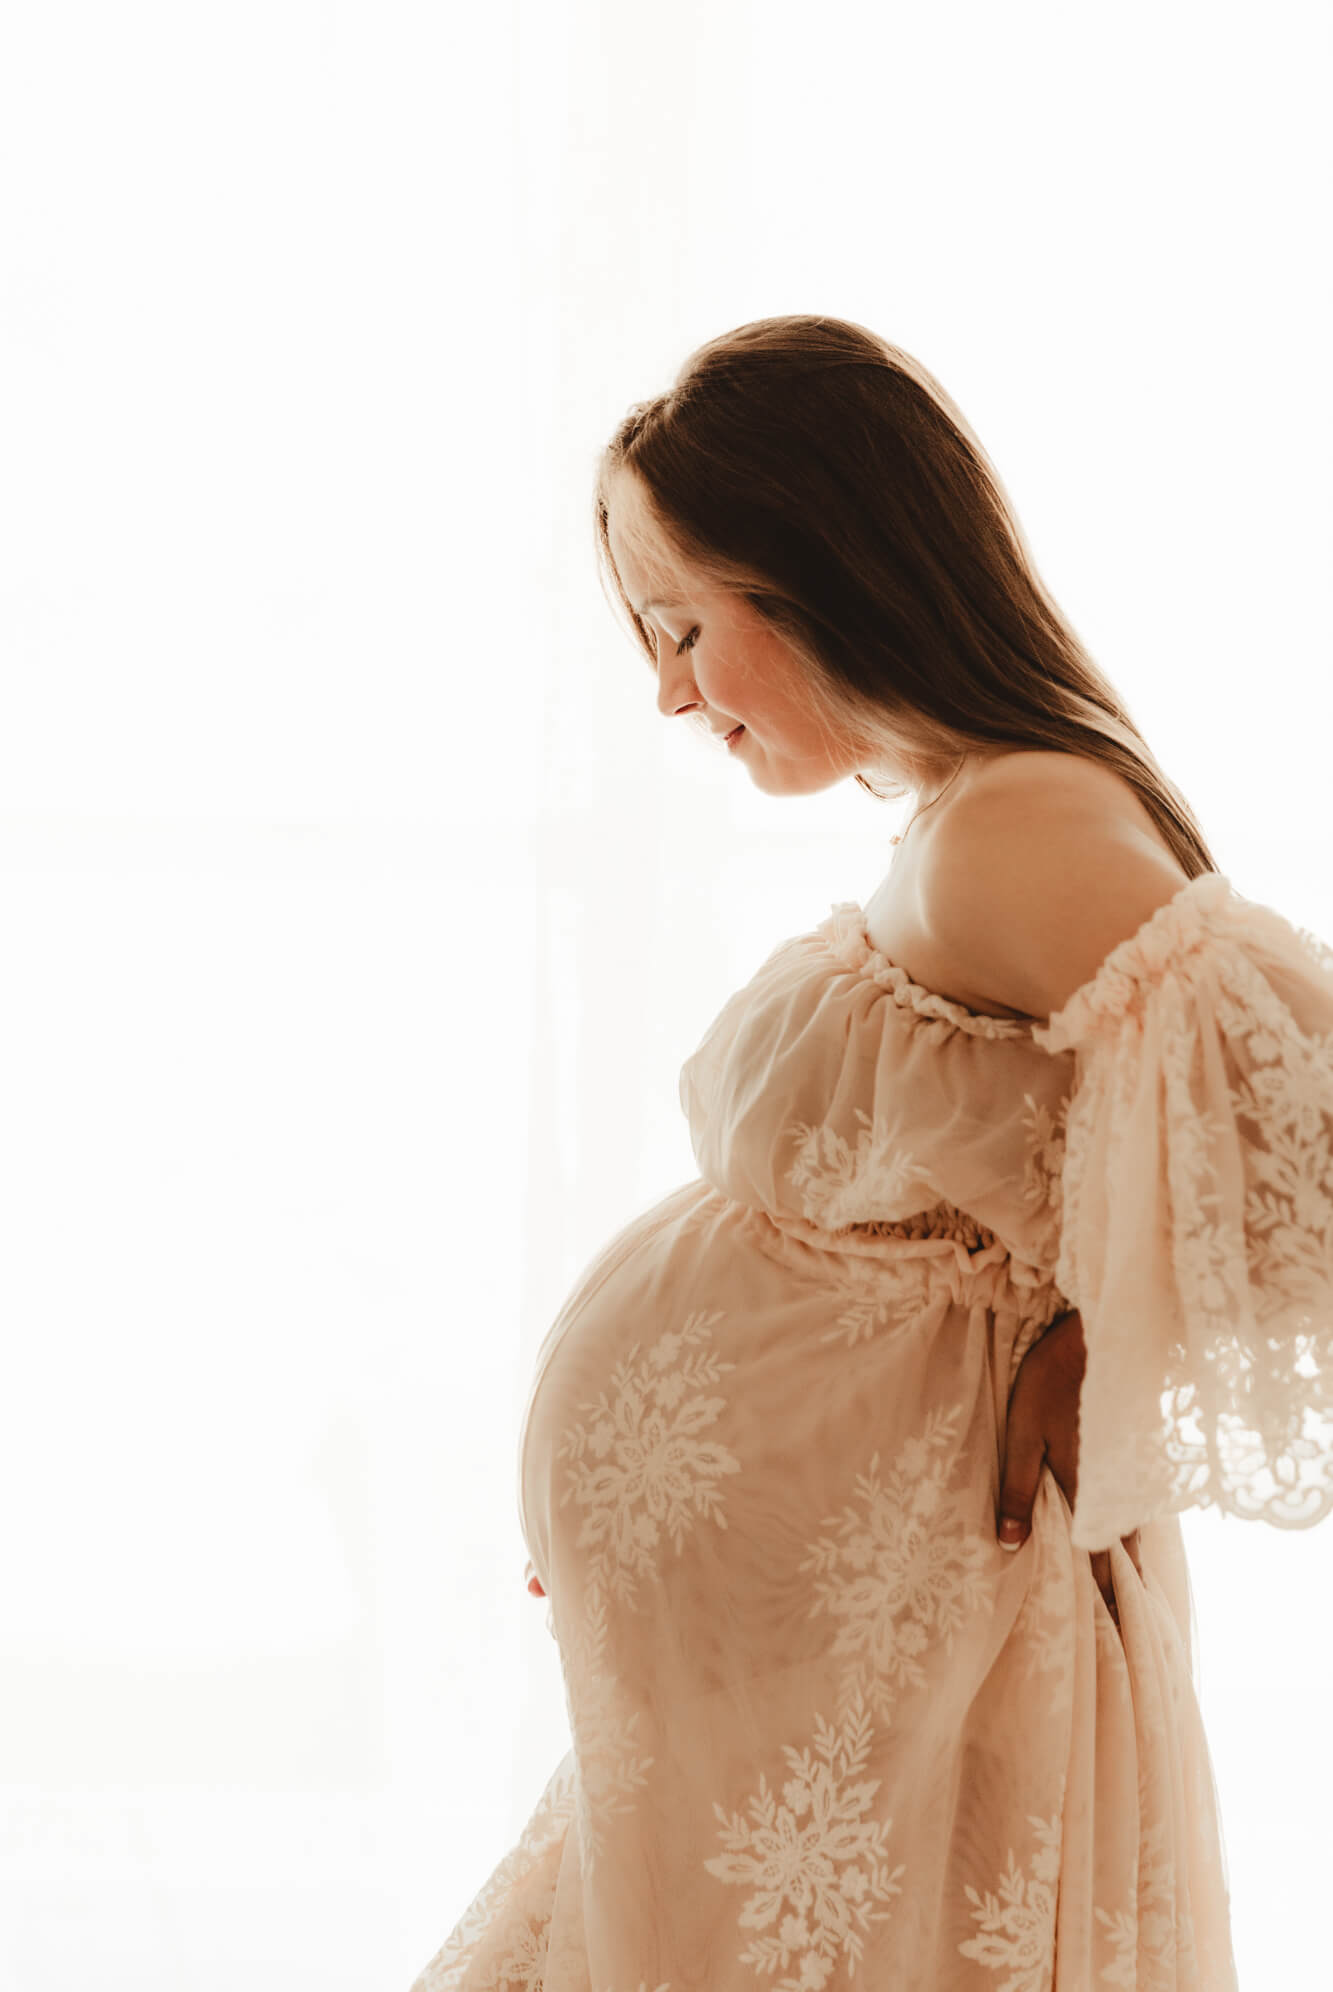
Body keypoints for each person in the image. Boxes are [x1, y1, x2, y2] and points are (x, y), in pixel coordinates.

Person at [411, 316, 1333, 1990]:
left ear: (825, 567)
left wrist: (1100, 1351)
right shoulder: (963, 815)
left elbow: (1311, 1130)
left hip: (911, 1674)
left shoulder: (1020, 827)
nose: (668, 690)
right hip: (803, 1693)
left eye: (685, 626)